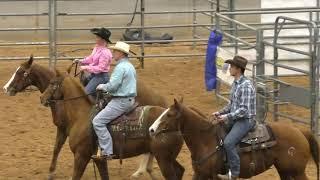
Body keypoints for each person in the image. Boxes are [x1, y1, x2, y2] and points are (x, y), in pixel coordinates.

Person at [212, 56, 256, 180]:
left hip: (246, 120)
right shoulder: (236, 83)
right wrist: (220, 113)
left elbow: (244, 110)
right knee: (216, 132)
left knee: (229, 142)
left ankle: (234, 174)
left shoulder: (246, 86)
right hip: (236, 118)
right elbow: (232, 104)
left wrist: (226, 117)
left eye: (232, 67)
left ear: (238, 69)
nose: (229, 69)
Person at [92, 41, 137, 160]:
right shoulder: (130, 66)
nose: (113, 53)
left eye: (115, 51)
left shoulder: (120, 67)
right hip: (129, 100)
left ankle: (107, 151)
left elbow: (113, 86)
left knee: (98, 121)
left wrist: (102, 86)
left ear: (121, 53)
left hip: (120, 102)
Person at [74, 27, 112, 97]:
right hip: (94, 75)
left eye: (97, 37)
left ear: (103, 39)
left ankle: (97, 105)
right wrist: (81, 61)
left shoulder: (105, 53)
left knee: (85, 94)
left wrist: (85, 67)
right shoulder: (97, 47)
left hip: (101, 77)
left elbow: (100, 68)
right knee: (79, 87)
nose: (96, 38)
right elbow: (91, 58)